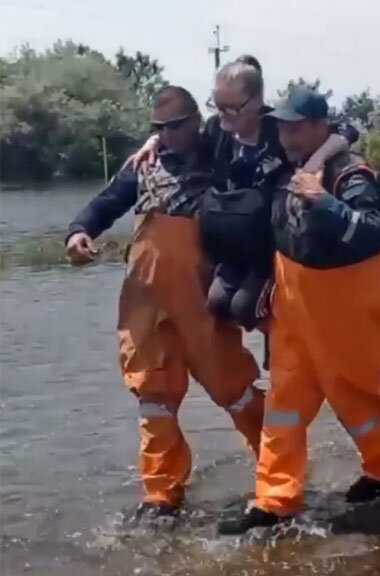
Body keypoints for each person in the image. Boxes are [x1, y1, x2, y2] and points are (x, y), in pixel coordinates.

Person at [65, 86, 265, 519]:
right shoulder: (142, 166)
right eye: (159, 128)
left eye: (176, 126)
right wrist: (79, 232)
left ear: (196, 122)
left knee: (235, 389)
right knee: (153, 396)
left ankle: (277, 469)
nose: (168, 135)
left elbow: (248, 124)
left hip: (201, 301)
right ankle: (161, 494)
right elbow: (106, 203)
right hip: (146, 303)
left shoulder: (220, 155)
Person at [218, 90, 380, 534]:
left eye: (296, 127)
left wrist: (322, 200)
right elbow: (228, 138)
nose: (286, 135)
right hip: (293, 310)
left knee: (354, 401)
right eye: (282, 127)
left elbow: (371, 233)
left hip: (347, 313)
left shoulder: (352, 174)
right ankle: (274, 499)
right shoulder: (284, 165)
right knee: (283, 404)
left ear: (322, 126)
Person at [129, 57, 348, 333]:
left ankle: (287, 343)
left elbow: (345, 131)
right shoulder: (216, 132)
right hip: (233, 247)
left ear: (256, 101)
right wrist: (154, 140)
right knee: (218, 304)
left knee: (244, 306)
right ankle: (281, 342)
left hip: (270, 244)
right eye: (217, 107)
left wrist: (317, 159)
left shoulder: (276, 129)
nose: (223, 116)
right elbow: (182, 138)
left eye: (232, 108)